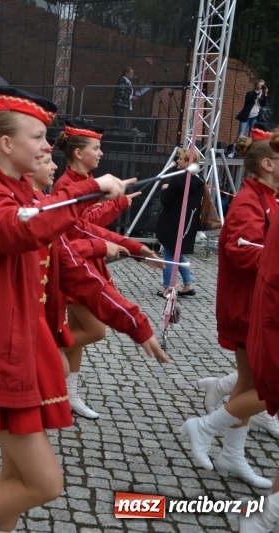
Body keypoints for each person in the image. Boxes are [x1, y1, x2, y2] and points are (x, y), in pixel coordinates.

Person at [0, 86, 167, 533]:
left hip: (25, 342)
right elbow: (23, 229)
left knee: (15, 474)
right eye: (37, 136)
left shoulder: (26, 196)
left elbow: (74, 268)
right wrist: (92, 190)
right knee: (45, 483)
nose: (45, 146)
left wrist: (136, 323)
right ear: (6, 144)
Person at [180, 130, 279, 489]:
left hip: (261, 305)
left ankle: (231, 454)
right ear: (268, 165)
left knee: (252, 383)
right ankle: (205, 427)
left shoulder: (267, 197)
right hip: (249, 308)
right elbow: (244, 251)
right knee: (266, 386)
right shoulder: (251, 201)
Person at [51, 119, 161, 420]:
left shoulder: (87, 178)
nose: (101, 154)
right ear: (76, 153)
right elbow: (84, 227)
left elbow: (88, 224)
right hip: (76, 266)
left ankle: (67, 393)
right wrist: (119, 204)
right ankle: (46, 360)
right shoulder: (66, 185)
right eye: (96, 148)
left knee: (79, 332)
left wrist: (133, 244)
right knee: (94, 330)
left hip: (87, 261)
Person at [242, 184, 279, 532]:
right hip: (258, 314)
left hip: (265, 316)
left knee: (246, 383)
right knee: (247, 383)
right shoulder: (251, 199)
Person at [155, 148, 205, 298]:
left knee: (169, 254)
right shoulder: (199, 179)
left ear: (188, 162)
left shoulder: (178, 179)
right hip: (188, 223)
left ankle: (168, 288)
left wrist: (165, 189)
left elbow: (166, 201)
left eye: (181, 159)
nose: (177, 161)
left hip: (174, 222)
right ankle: (188, 285)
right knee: (176, 253)